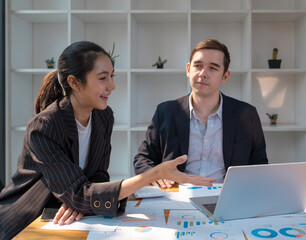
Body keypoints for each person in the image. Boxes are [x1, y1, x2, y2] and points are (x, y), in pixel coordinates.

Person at [0, 41, 216, 239]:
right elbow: (78, 193)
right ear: (74, 82)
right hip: (29, 220)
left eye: (112, 76)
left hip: (71, 218)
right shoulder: (44, 126)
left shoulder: (103, 116)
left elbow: (98, 176)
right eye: (103, 78)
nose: (111, 86)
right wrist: (153, 174)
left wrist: (81, 200)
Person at [134, 39, 268, 188]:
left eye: (213, 68)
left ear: (225, 76)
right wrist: (156, 176)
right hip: (177, 195)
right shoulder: (165, 112)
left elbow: (260, 164)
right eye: (198, 66)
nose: (203, 73)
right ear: (188, 69)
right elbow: (142, 160)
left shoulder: (247, 114)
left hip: (226, 196)